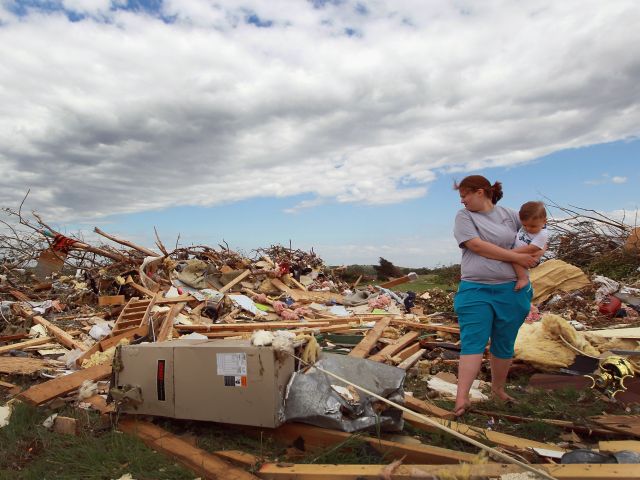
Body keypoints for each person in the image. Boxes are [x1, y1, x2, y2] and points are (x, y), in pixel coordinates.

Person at [452, 175, 541, 417]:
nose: (462, 201)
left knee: (504, 342)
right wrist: (517, 257)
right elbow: (477, 246)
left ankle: (498, 391)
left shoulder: (511, 215)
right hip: (475, 289)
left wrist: (532, 256)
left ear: (480, 192)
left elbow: (533, 237)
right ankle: (462, 398)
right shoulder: (465, 217)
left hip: (511, 290)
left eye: (465, 196)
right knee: (473, 341)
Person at [512, 201, 548, 291]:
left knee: (514, 260)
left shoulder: (542, 234)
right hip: (520, 251)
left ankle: (523, 278)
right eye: (524, 225)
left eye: (532, 226)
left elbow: (532, 248)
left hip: (530, 255)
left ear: (544, 221)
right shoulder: (530, 223)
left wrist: (510, 252)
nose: (528, 228)